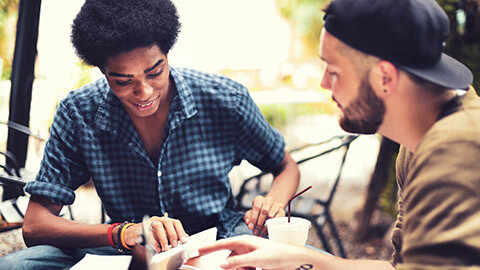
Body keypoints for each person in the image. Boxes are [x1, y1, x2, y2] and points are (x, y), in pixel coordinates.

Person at [0, 0, 300, 269]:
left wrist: (274, 200)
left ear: (167, 53)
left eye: (155, 72)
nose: (143, 92)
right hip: (126, 248)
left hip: (220, 237)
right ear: (102, 71)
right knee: (15, 266)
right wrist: (124, 232)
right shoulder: (78, 113)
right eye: (122, 80)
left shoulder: (225, 99)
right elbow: (36, 226)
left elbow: (285, 166)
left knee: (306, 261)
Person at [198, 0, 480, 269]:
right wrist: (294, 257)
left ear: (385, 78)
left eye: (333, 71)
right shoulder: (415, 145)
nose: (323, 83)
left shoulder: (454, 149)